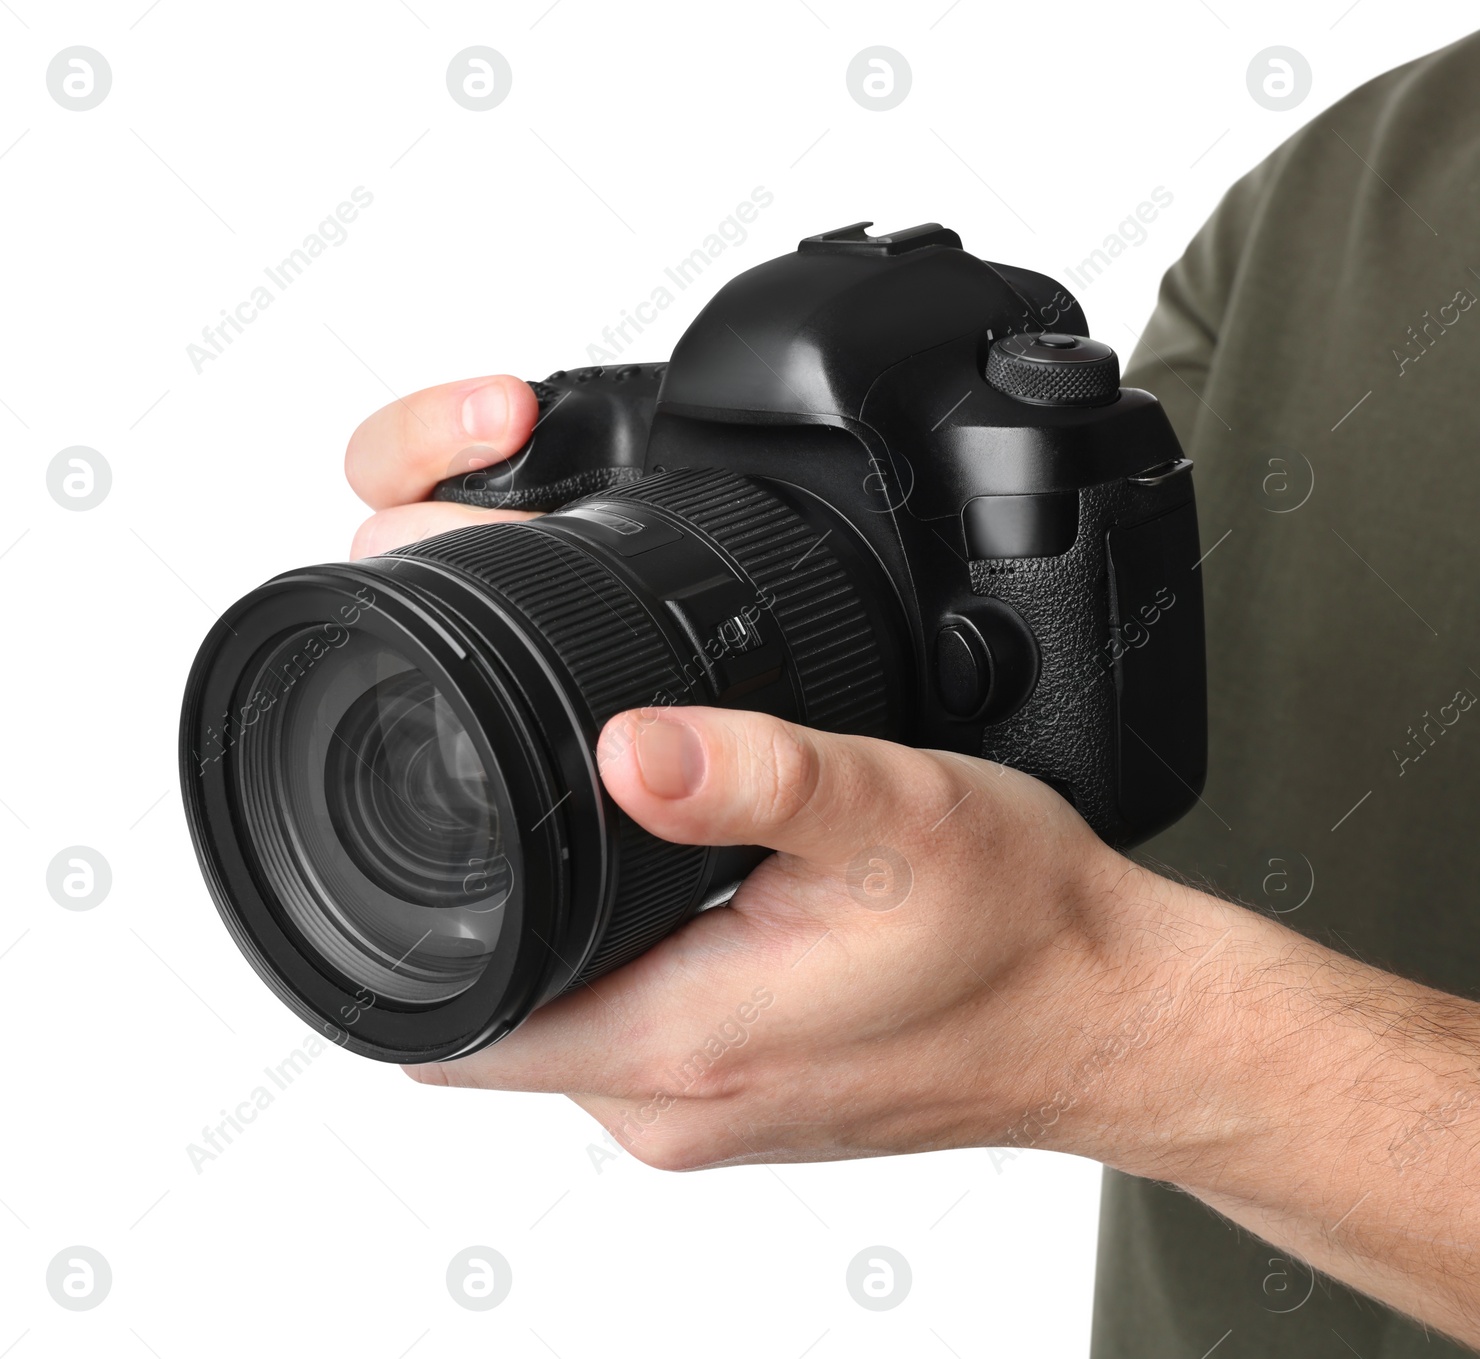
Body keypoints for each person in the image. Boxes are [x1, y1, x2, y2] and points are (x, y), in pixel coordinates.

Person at [342, 31, 1480, 1354]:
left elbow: (1092, 952)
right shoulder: (1347, 185)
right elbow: (1024, 773)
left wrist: (1116, 1033)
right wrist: (558, 625)